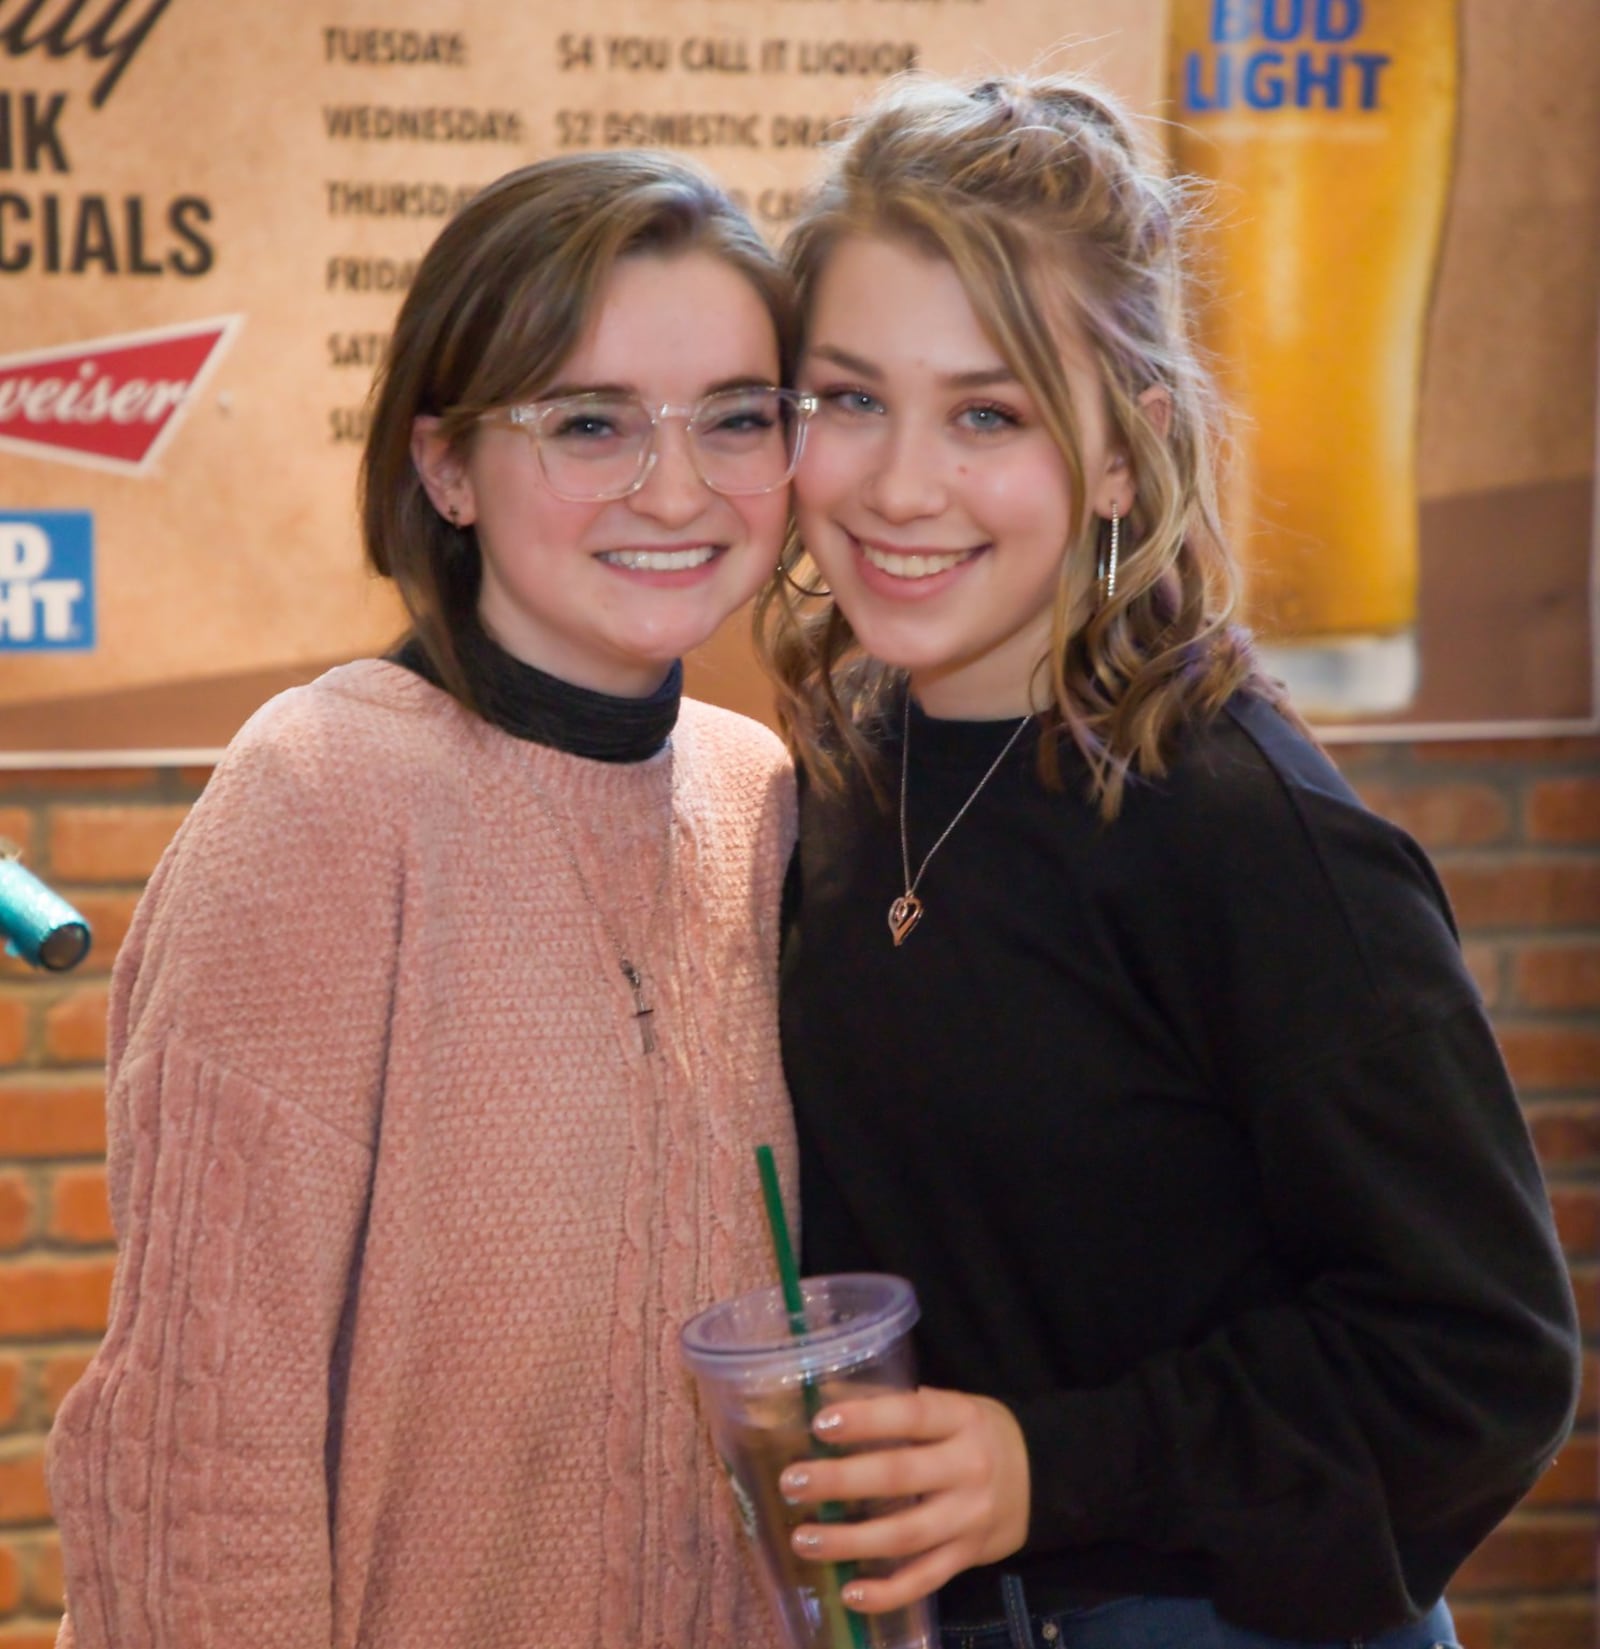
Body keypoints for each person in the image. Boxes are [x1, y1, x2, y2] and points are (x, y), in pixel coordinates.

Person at [758, 73, 1580, 1649]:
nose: (897, 484)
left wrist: (1045, 1465)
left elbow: (1486, 1358)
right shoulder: (852, 761)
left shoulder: (1252, 834)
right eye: (846, 397)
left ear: (1126, 453)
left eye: (987, 413)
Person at [47, 151, 808, 1649]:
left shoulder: (761, 796)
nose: (677, 483)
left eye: (736, 417)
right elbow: (207, 1456)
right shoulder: (323, 797)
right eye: (588, 422)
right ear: (445, 466)